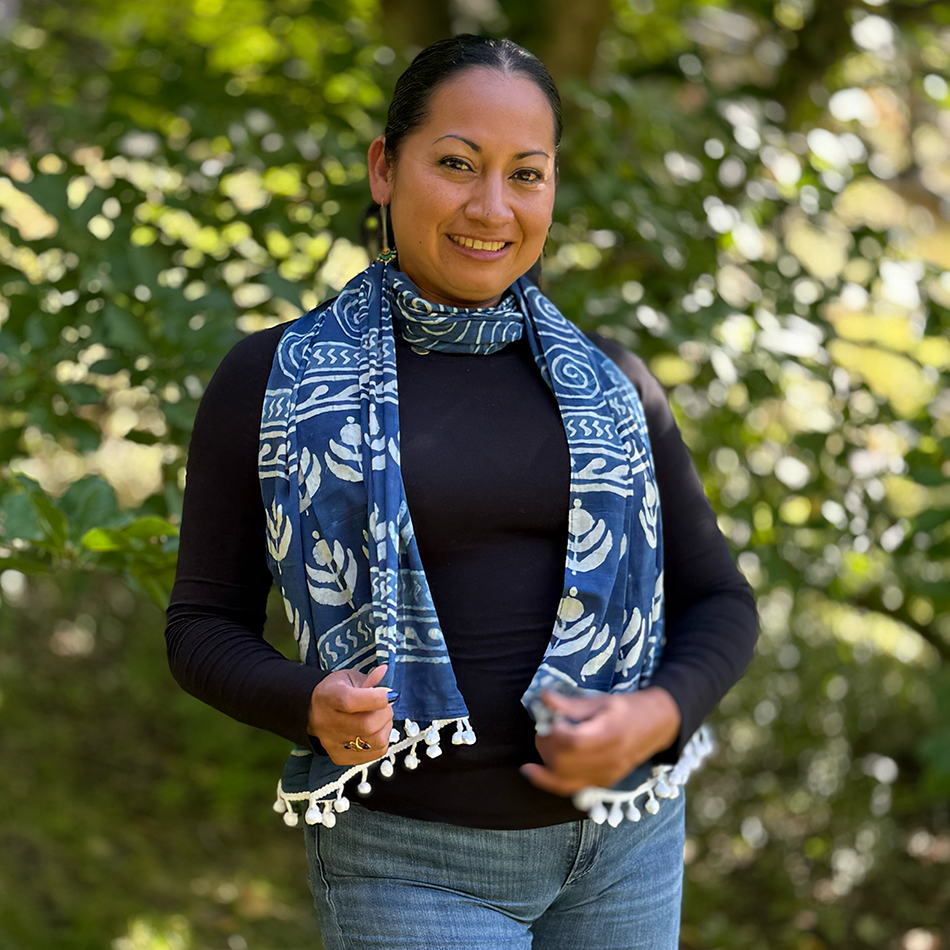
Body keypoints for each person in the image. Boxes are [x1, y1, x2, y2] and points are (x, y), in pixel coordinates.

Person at [166, 34, 757, 949]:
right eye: (455, 163)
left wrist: (655, 714)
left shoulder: (615, 386)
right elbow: (201, 626)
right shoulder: (272, 380)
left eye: (526, 174)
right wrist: (308, 703)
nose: (492, 207)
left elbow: (720, 600)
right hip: (410, 864)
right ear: (384, 168)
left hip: (629, 844)